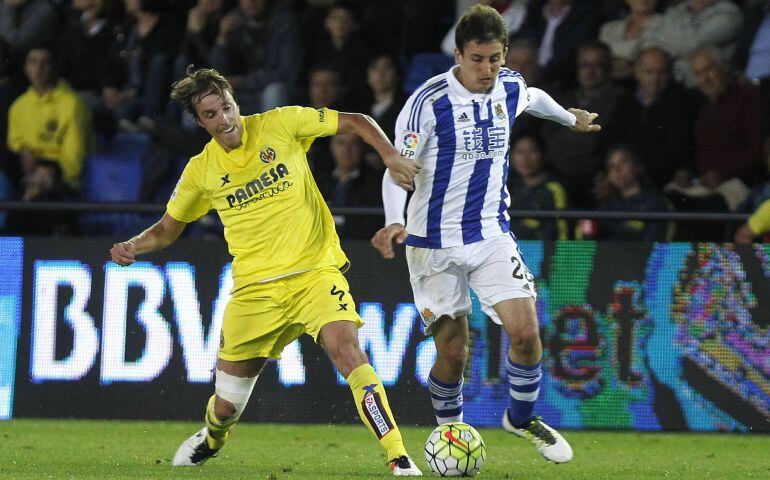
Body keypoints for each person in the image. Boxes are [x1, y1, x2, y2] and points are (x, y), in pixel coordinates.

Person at [109, 66, 422, 476]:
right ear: (201, 121)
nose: (224, 120)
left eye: (226, 107)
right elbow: (168, 230)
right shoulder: (201, 171)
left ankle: (398, 457)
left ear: (235, 101)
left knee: (348, 351)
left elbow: (356, 122)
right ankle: (212, 438)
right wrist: (134, 245)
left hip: (315, 274)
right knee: (225, 407)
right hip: (255, 293)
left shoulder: (282, 123)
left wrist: (390, 156)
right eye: (210, 115)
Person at [371, 4, 599, 465]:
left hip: (490, 234)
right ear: (458, 55)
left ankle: (522, 416)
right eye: (477, 59)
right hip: (431, 243)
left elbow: (533, 97)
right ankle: (450, 433)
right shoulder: (427, 103)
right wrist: (394, 219)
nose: (487, 69)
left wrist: (569, 119)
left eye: (495, 58)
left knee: (526, 332)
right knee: (454, 350)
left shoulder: (508, 86)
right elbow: (396, 171)